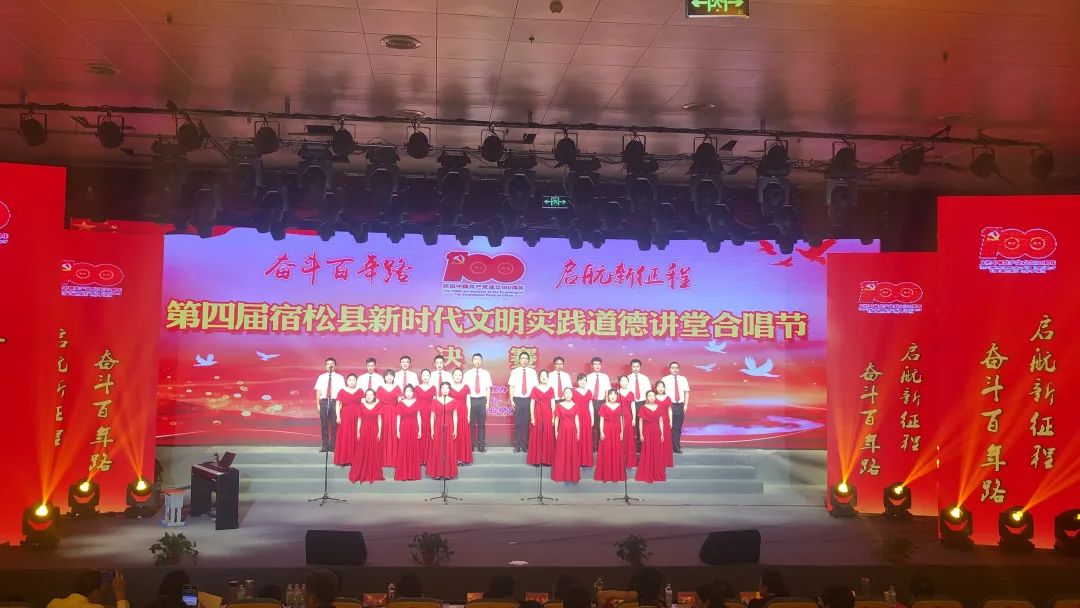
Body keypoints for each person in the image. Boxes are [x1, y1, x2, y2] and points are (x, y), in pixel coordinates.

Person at [349, 389, 384, 483]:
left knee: (373, 449)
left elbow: (379, 419)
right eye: (367, 395)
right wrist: (358, 432)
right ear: (365, 396)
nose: (369, 396)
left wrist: (379, 432)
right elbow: (359, 419)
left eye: (371, 394)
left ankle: (372, 471)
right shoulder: (361, 405)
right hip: (364, 429)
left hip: (374, 429)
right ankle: (361, 471)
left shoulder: (378, 405)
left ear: (374, 396)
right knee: (363, 450)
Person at [461, 353, 493, 453]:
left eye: (479, 359)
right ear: (472, 361)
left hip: (482, 400)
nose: (477, 361)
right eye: (475, 359)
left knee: (481, 425)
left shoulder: (486, 373)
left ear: (481, 361)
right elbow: (465, 390)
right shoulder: (467, 374)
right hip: (471, 400)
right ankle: (470, 445)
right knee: (470, 425)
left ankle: (481, 446)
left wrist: (487, 402)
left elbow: (488, 389)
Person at [48, 569, 128, 608]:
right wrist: (120, 596)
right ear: (95, 592)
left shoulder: (53, 603)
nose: (101, 596)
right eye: (101, 591)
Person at [594, 389, 627, 482]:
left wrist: (622, 432)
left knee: (617, 450)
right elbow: (601, 420)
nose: (613, 396)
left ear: (617, 396)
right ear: (608, 396)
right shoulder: (604, 406)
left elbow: (621, 420)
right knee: (607, 450)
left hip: (617, 430)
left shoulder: (620, 406)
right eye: (611, 394)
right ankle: (606, 474)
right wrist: (601, 432)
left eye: (614, 395)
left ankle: (616, 474)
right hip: (607, 429)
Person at [313, 357, 346, 452]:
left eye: (332, 364)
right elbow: (318, 392)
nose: (330, 365)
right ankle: (325, 445)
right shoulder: (321, 377)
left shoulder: (340, 377)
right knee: (324, 425)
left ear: (335, 366)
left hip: (335, 402)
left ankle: (333, 446)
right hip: (324, 402)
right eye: (328, 364)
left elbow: (342, 393)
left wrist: (340, 404)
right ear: (325, 366)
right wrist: (318, 405)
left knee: (334, 426)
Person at [508, 352, 539, 452]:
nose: (524, 360)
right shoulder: (515, 371)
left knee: (526, 424)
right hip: (517, 399)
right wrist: (512, 400)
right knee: (517, 423)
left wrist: (534, 401)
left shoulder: (533, 372)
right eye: (522, 358)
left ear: (528, 360)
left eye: (526, 358)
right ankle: (517, 445)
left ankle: (525, 445)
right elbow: (511, 387)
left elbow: (535, 388)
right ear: (519, 360)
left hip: (528, 400)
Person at [427, 382, 458, 480]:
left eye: (447, 388)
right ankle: (437, 472)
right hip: (438, 426)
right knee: (438, 447)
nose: (445, 390)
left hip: (449, 425)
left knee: (448, 448)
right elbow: (432, 417)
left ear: (449, 390)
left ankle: (447, 473)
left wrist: (455, 429)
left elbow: (455, 416)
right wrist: (432, 429)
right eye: (443, 388)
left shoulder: (453, 401)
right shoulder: (435, 401)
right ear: (440, 390)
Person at [634, 390, 666, 483]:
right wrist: (641, 434)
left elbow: (661, 421)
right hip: (647, 431)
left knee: (656, 451)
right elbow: (640, 422)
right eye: (649, 396)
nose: (651, 397)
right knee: (647, 450)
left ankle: (656, 472)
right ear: (646, 397)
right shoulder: (643, 408)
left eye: (653, 395)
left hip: (656, 431)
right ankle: (646, 472)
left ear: (655, 397)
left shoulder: (659, 407)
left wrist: (662, 433)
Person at [551, 387, 581, 483]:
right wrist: (556, 431)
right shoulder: (559, 405)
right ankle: (560, 474)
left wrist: (578, 431)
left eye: (570, 393)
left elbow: (576, 419)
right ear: (563, 395)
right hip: (562, 430)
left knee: (572, 451)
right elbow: (557, 419)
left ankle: (571, 475)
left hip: (572, 430)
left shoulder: (575, 406)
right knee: (561, 450)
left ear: (572, 394)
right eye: (566, 393)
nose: (568, 395)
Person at [527, 370, 556, 466]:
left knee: (548, 435)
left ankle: (546, 460)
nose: (543, 378)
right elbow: (532, 403)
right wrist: (532, 417)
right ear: (539, 378)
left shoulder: (551, 389)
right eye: (541, 376)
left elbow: (553, 404)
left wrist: (553, 417)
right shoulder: (535, 389)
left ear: (548, 378)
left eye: (545, 376)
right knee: (537, 435)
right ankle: (536, 460)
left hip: (548, 414)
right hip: (537, 413)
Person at [660, 361, 690, 454]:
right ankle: (667, 447)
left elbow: (686, 392)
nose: (675, 369)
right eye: (673, 368)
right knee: (668, 427)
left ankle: (676, 447)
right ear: (669, 369)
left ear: (679, 369)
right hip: (669, 405)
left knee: (677, 427)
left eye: (676, 368)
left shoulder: (683, 379)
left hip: (680, 405)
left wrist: (686, 404)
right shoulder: (665, 379)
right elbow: (661, 392)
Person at [333, 374, 363, 466]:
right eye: (350, 379)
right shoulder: (342, 391)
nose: (351, 381)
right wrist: (338, 416)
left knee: (356, 436)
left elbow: (363, 403)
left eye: (353, 379)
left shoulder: (360, 391)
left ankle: (356, 460)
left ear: (356, 381)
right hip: (345, 416)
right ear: (346, 381)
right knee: (345, 436)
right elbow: (337, 405)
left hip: (357, 417)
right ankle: (344, 459)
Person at [395, 385, 423, 481]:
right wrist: (397, 430)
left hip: (414, 426)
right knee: (403, 449)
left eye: (410, 391)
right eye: (407, 391)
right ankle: (403, 474)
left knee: (413, 448)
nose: (409, 393)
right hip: (404, 426)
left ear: (413, 392)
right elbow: (398, 418)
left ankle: (412, 474)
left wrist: (420, 429)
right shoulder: (400, 403)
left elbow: (419, 417)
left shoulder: (417, 402)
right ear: (404, 393)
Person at [376, 369, 402, 466]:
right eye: (387, 375)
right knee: (383, 432)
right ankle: (382, 459)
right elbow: (377, 403)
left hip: (394, 413)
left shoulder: (397, 387)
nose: (389, 377)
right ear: (384, 377)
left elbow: (400, 403)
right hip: (382, 413)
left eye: (391, 375)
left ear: (394, 377)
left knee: (394, 433)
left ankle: (393, 459)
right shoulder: (380, 388)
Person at [585, 357, 612, 449]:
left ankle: (601, 446)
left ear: (601, 365)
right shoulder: (588, 377)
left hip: (602, 402)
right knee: (591, 424)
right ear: (592, 366)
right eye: (595, 364)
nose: (597, 366)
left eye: (599, 364)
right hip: (591, 403)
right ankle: (592, 446)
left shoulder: (605, 377)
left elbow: (607, 391)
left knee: (602, 425)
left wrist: (607, 404)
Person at [449, 368, 472, 464]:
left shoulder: (466, 387)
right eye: (455, 375)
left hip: (463, 412)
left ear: (462, 376)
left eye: (459, 375)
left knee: (462, 434)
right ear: (452, 376)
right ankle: (453, 457)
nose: (457, 377)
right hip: (451, 413)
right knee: (453, 434)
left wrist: (468, 414)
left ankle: (462, 458)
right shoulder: (449, 387)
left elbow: (468, 402)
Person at [571, 374, 595, 467]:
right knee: (577, 436)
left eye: (584, 380)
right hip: (576, 415)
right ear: (577, 381)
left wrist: (592, 418)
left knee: (586, 437)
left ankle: (586, 461)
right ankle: (576, 460)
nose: (582, 382)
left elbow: (590, 406)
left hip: (586, 415)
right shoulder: (573, 391)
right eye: (580, 380)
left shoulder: (589, 392)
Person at [415, 369, 436, 465]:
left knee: (429, 433)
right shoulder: (417, 388)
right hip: (419, 413)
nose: (425, 377)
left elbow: (434, 402)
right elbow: (415, 401)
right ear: (421, 376)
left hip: (430, 413)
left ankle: (428, 458)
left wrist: (434, 414)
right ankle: (419, 458)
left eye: (427, 375)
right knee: (420, 433)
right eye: (423, 375)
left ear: (430, 376)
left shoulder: (433, 388)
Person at [616, 375, 637, 465]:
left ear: (628, 382)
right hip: (617, 417)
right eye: (622, 381)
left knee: (628, 437)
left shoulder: (631, 393)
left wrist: (634, 418)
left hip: (628, 416)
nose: (624, 383)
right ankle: (618, 458)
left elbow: (633, 406)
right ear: (619, 382)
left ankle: (628, 459)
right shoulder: (616, 392)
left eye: (625, 381)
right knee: (619, 437)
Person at [654, 381, 675, 468]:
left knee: (666, 441)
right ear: (656, 388)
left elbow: (670, 410)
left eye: (662, 387)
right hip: (656, 422)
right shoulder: (653, 397)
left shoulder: (668, 398)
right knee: (657, 440)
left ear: (664, 388)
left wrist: (671, 421)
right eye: (659, 387)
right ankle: (657, 460)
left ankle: (666, 461)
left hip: (666, 421)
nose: (661, 388)